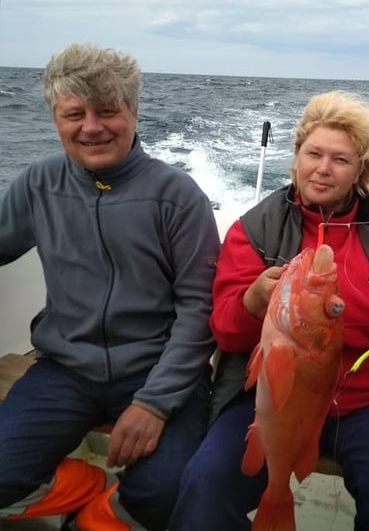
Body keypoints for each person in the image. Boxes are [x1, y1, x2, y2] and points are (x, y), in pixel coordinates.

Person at [170, 90, 369, 531]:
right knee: (204, 485)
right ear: (296, 157)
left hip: (368, 403)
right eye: (313, 154)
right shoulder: (255, 227)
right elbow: (226, 330)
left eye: (340, 160)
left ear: (361, 170)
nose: (323, 168)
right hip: (276, 400)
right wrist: (251, 303)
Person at [0, 43, 220, 530]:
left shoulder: (178, 198)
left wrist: (154, 402)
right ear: (56, 119)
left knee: (169, 490)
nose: (92, 127)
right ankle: (85, 488)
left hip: (158, 368)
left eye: (107, 111)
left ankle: (103, 514)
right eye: (74, 114)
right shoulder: (38, 184)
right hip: (63, 369)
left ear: (134, 113)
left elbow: (200, 308)